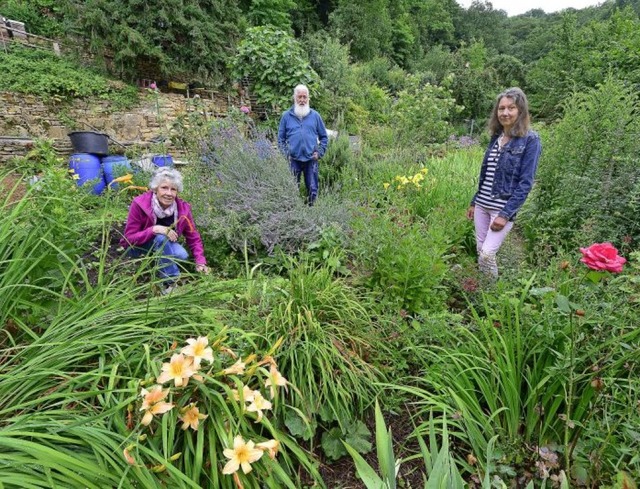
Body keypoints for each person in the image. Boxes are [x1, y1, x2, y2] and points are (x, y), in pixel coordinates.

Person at [466, 87, 542, 278]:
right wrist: (475, 201)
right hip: (482, 205)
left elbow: (526, 183)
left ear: (520, 111)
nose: (505, 113)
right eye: (501, 108)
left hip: (501, 208)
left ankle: (491, 297)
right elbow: (487, 174)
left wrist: (506, 214)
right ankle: (482, 289)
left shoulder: (530, 140)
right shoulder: (496, 138)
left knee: (487, 254)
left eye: (511, 108)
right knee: (480, 250)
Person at [120, 167, 209, 292]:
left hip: (164, 245)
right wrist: (154, 229)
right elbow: (129, 238)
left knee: (182, 255)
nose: (169, 193)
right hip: (137, 246)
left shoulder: (182, 209)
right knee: (161, 238)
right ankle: (170, 284)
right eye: (164, 188)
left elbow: (193, 236)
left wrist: (200, 261)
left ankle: (158, 262)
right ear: (155, 188)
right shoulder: (139, 204)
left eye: (173, 189)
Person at [277, 84, 328, 205]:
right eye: (299, 97)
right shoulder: (286, 116)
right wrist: (286, 154)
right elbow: (280, 139)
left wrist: (319, 153)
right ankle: (292, 213)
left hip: (311, 159)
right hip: (293, 159)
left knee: (313, 189)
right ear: (294, 98)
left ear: (308, 98)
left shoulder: (315, 116)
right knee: (291, 189)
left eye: (304, 97)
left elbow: (324, 137)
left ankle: (311, 213)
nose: (302, 100)